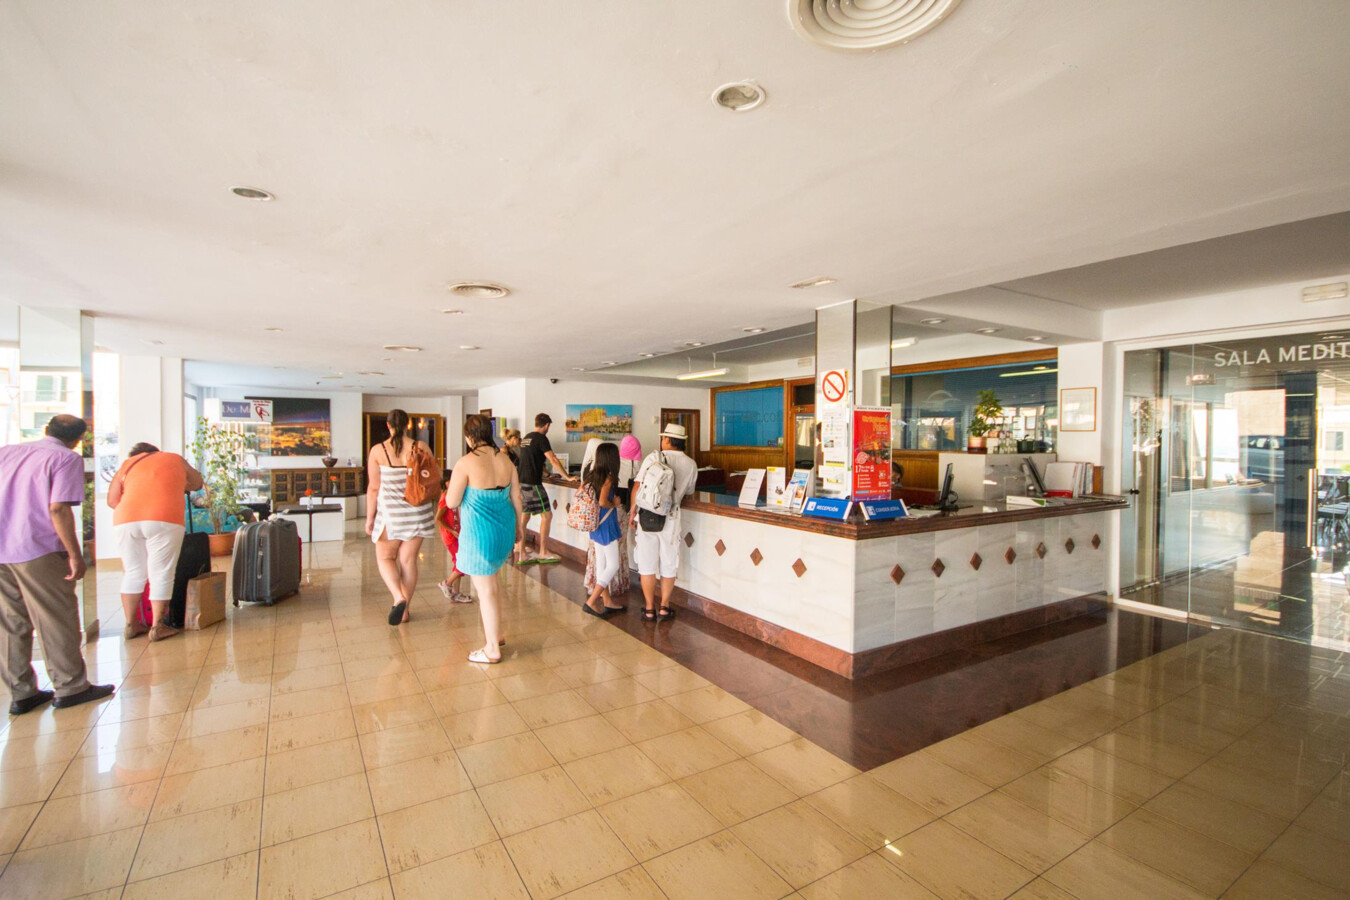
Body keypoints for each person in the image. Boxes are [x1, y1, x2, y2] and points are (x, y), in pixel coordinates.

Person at [0, 415, 114, 714]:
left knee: (10, 622)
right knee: (55, 617)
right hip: (35, 548)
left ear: (46, 429)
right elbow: (57, 508)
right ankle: (71, 687)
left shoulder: (7, 452)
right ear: (78, 439)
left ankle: (21, 693)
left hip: (2, 548)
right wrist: (75, 554)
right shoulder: (65, 458)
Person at [108, 441, 204, 642]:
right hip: (164, 518)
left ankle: (131, 624)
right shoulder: (173, 458)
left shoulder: (127, 464)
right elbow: (197, 483)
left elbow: (112, 501)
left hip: (125, 520)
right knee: (161, 573)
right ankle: (158, 626)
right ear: (155, 451)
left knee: (133, 572)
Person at [446, 414, 523, 664]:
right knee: (492, 584)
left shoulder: (466, 463)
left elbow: (451, 501)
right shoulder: (506, 461)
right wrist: (519, 530)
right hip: (504, 530)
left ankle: (492, 649)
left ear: (470, 437)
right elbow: (517, 498)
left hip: (480, 534)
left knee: (486, 589)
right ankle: (496, 635)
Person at [365, 409, 437, 626]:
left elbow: (374, 488)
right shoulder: (421, 447)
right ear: (408, 425)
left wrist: (370, 518)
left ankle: (398, 597)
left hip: (392, 515)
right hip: (418, 513)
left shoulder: (378, 450)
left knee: (385, 558)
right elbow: (434, 475)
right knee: (408, 561)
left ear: (388, 425)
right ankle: (405, 611)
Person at [631, 423, 698, 622]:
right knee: (668, 564)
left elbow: (638, 487)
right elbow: (689, 492)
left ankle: (649, 608)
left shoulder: (653, 458)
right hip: (671, 518)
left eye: (663, 438)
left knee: (647, 565)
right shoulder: (691, 464)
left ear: (667, 440)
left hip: (647, 516)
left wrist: (633, 513)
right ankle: (664, 607)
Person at [514, 413, 572, 565]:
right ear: (547, 425)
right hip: (533, 484)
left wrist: (547, 474)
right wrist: (567, 477)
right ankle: (543, 552)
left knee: (525, 517)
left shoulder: (526, 438)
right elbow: (553, 459)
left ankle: (521, 552)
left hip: (521, 483)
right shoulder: (541, 438)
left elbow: (532, 461)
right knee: (547, 515)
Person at [580, 442, 627, 618]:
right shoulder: (608, 478)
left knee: (602, 564)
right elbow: (602, 502)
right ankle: (592, 601)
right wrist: (614, 503)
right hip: (607, 524)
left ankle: (607, 601)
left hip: (596, 524)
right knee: (613, 565)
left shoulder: (592, 476)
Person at [435, 475, 473, 603]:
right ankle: (447, 583)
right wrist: (451, 531)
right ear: (447, 483)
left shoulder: (452, 496)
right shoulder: (445, 498)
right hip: (451, 537)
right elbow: (438, 519)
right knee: (463, 561)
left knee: (458, 562)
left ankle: (456, 593)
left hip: (457, 535)